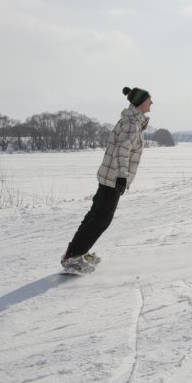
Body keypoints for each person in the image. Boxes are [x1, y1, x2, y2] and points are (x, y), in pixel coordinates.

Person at [61, 86, 152, 274]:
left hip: (109, 176)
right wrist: (122, 176)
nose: (151, 103)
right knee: (101, 219)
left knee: (96, 215)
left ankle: (76, 252)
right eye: (149, 99)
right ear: (141, 103)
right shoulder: (131, 124)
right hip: (113, 178)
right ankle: (74, 257)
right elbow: (122, 150)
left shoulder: (131, 120)